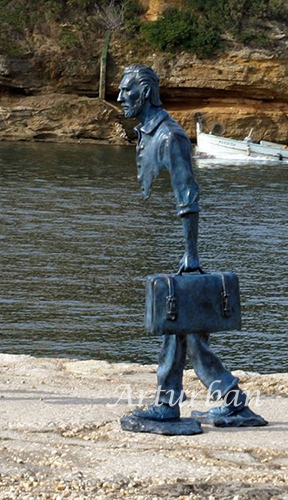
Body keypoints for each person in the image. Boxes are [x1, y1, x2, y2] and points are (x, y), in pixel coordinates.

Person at [117, 64, 256, 424]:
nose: (119, 98)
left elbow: (188, 197)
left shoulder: (170, 137)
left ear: (145, 93)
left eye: (127, 92)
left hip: (182, 253)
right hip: (172, 252)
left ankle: (170, 404)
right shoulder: (150, 133)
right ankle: (228, 397)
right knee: (184, 329)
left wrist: (191, 255)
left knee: (177, 321)